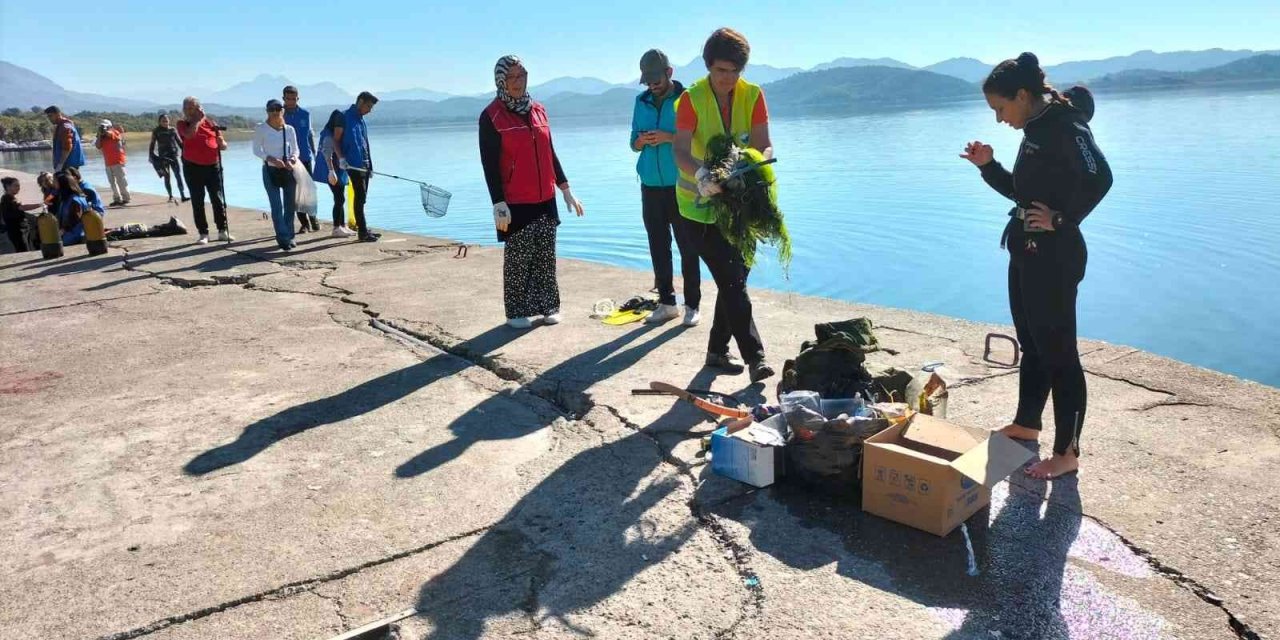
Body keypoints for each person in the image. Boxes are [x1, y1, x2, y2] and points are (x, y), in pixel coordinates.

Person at [960, 52, 1113, 480]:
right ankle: (1028, 423)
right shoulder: (1035, 128)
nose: (998, 119)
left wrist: (1062, 220)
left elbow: (1101, 177)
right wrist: (988, 166)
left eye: (1000, 108)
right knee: (1033, 343)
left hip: (1056, 256)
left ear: (1023, 95)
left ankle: (1068, 452)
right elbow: (1023, 194)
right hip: (1025, 249)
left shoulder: (1065, 126)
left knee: (1060, 352)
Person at [672, 27, 775, 382]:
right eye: (721, 71)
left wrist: (750, 165)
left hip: (740, 205)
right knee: (732, 281)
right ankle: (756, 357)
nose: (728, 79)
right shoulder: (691, 99)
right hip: (697, 207)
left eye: (735, 72)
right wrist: (703, 174)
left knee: (734, 278)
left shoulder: (753, 95)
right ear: (708, 67)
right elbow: (680, 150)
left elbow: (764, 145)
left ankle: (716, 351)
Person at [479, 55, 585, 329]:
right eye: (511, 77)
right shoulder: (491, 116)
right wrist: (497, 202)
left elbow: (549, 151)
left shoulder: (538, 109)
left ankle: (549, 305)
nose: (518, 82)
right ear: (501, 81)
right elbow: (489, 163)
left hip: (545, 196)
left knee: (546, 255)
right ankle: (515, 311)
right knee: (518, 258)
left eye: (522, 76)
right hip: (515, 200)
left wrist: (565, 188)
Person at [632, 48, 700, 327]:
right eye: (647, 81)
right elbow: (632, 143)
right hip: (649, 185)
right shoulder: (640, 101)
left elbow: (696, 140)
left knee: (688, 246)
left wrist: (668, 137)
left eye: (655, 79)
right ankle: (667, 303)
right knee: (658, 246)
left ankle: (692, 305)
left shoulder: (687, 100)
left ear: (669, 73)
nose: (651, 85)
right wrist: (643, 141)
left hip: (681, 185)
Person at [177, 96, 233, 244]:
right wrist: (198, 120)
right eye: (187, 108)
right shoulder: (182, 123)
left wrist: (222, 142)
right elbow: (189, 135)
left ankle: (222, 230)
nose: (189, 111)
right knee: (197, 200)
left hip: (213, 166)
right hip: (192, 166)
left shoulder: (210, 123)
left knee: (217, 198)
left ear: (199, 108)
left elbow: (223, 145)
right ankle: (203, 233)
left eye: (192, 108)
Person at [253, 99, 301, 251]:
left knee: (290, 206)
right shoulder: (261, 128)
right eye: (271, 109)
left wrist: (293, 159)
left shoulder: (289, 129)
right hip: (270, 170)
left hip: (287, 170)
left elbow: (296, 150)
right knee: (276, 206)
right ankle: (282, 238)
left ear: (282, 111)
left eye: (278, 109)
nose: (275, 112)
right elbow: (256, 150)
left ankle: (290, 236)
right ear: (267, 111)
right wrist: (271, 159)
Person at [332, 91, 380, 242]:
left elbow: (365, 144)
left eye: (372, 107)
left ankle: (363, 227)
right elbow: (335, 141)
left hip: (365, 165)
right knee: (359, 197)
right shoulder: (344, 116)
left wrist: (370, 166)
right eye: (368, 106)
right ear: (360, 101)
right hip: (353, 165)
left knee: (363, 198)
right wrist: (341, 159)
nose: (370, 110)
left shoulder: (361, 120)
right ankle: (363, 233)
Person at [312, 108, 356, 238]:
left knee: (340, 197)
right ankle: (336, 227)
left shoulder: (333, 134)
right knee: (339, 198)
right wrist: (331, 171)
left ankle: (342, 225)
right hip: (331, 171)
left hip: (338, 170)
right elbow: (327, 155)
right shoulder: (328, 137)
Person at [283, 85, 320, 232]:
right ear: (284, 98)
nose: (291, 101)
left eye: (293, 98)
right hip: (289, 160)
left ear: (298, 98)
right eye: (288, 99)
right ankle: (304, 223)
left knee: (309, 189)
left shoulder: (305, 114)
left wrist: (315, 152)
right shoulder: (280, 114)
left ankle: (313, 218)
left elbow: (310, 134)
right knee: (295, 191)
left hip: (305, 156)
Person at [55, 169, 106, 245]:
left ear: (63, 185)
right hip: (73, 233)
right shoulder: (69, 198)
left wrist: (61, 231)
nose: (54, 185)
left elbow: (74, 221)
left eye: (56, 183)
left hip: (74, 235)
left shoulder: (75, 200)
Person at [149, 113, 188, 204]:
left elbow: (179, 142)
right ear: (159, 122)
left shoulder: (173, 130)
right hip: (163, 158)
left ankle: (182, 195)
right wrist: (152, 156)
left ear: (169, 121)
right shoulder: (156, 131)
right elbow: (152, 144)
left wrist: (186, 151)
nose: (165, 122)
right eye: (163, 120)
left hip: (174, 156)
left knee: (178, 175)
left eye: (166, 120)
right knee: (167, 177)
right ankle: (170, 196)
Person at [93, 120, 131, 207]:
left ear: (110, 126)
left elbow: (111, 135)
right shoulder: (101, 136)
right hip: (108, 162)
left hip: (118, 161)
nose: (103, 128)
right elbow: (98, 146)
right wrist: (99, 134)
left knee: (121, 181)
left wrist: (105, 131)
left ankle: (126, 198)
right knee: (112, 182)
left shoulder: (115, 132)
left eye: (105, 126)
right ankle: (117, 198)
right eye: (102, 127)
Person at [1, 176, 44, 252]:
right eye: (16, 185)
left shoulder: (8, 198)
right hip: (17, 231)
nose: (18, 188)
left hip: (19, 230)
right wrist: (40, 205)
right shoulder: (8, 199)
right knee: (23, 250)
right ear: (8, 187)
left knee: (24, 249)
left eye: (19, 185)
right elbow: (23, 207)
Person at [44, 106, 84, 174]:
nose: (49, 119)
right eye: (48, 117)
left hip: (68, 165)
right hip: (70, 164)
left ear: (58, 114)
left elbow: (67, 147)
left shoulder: (65, 127)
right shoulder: (63, 125)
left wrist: (60, 164)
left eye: (51, 116)